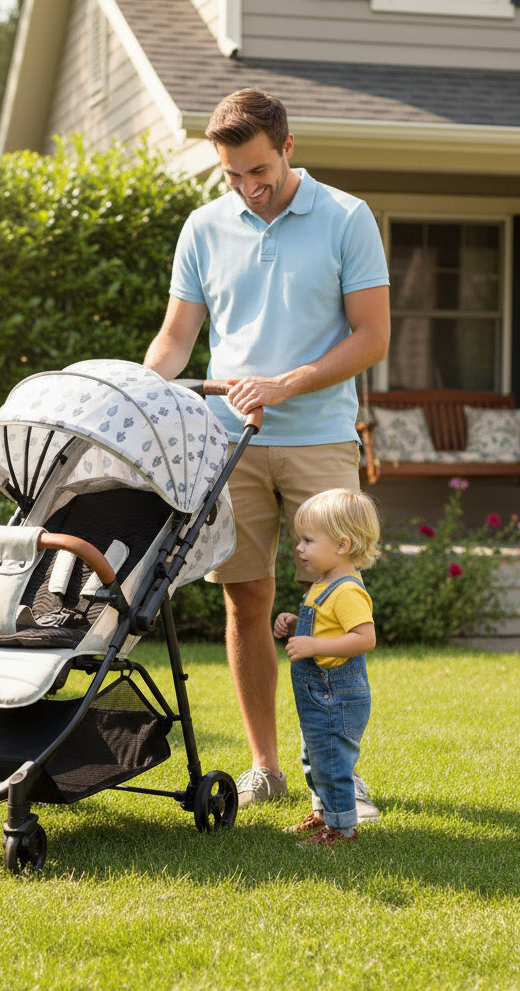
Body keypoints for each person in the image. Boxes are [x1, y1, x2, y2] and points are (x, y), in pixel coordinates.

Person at [142, 88, 390, 808]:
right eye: (232, 175)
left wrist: (286, 385)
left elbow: (370, 338)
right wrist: (134, 390)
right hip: (230, 445)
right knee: (246, 602)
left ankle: (337, 775)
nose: (249, 186)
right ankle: (266, 767)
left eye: (260, 170)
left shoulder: (346, 218)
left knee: (333, 606)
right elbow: (177, 339)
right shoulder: (204, 229)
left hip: (317, 440)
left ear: (288, 148)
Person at [272, 488, 380, 846]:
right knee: (316, 755)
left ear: (342, 545)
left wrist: (314, 644)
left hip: (337, 692)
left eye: (307, 540)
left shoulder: (347, 590)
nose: (299, 547)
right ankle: (323, 815)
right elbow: (323, 625)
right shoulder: (323, 583)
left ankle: (343, 829)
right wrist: (293, 623)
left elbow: (364, 638)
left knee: (332, 761)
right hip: (318, 693)